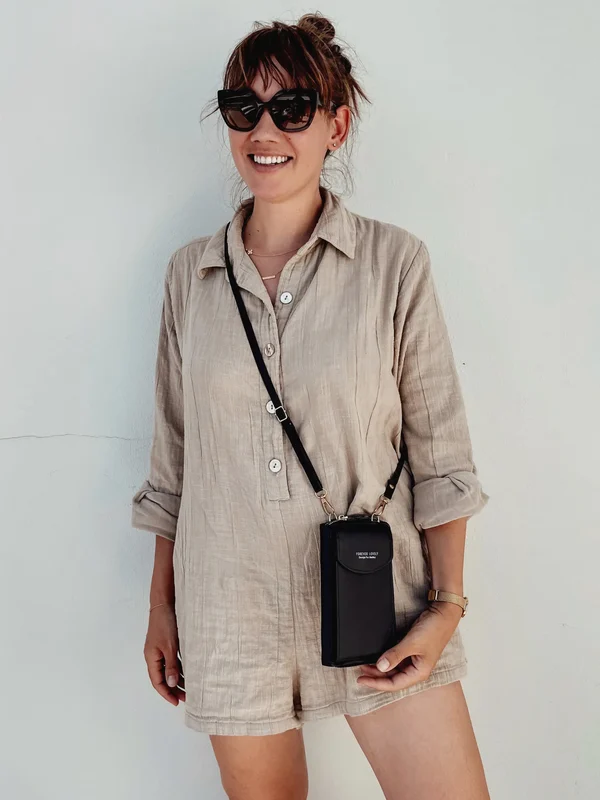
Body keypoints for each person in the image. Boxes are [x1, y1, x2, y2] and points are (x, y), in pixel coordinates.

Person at [131, 12, 491, 800]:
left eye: (292, 108)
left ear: (337, 125)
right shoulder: (190, 276)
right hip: (229, 608)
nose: (265, 131)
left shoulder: (395, 264)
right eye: (244, 107)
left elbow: (442, 455)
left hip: (379, 600)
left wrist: (447, 607)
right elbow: (174, 462)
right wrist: (162, 607)